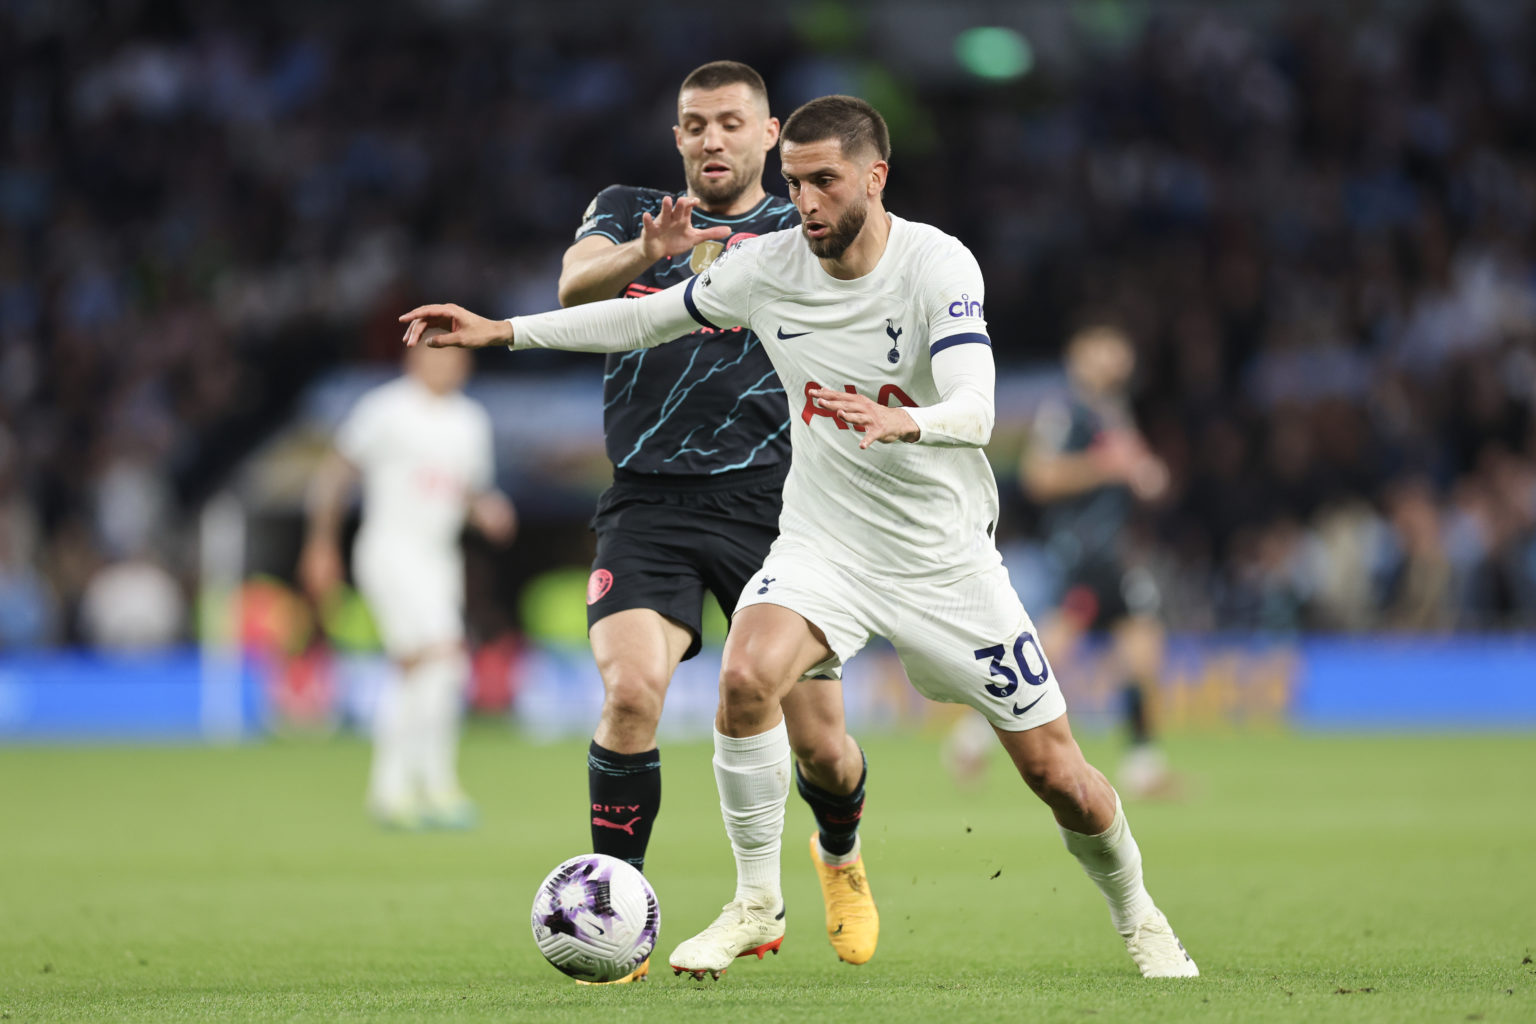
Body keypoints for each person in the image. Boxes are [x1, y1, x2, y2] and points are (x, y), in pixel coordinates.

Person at [398, 94, 1198, 981]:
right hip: (824, 544)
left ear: (873, 177)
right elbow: (640, 319)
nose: (807, 201)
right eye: (795, 183)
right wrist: (503, 331)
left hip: (944, 561)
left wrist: (912, 425)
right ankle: (755, 901)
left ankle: (1140, 915)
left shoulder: (937, 263)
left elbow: (979, 407)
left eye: (824, 181)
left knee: (1059, 776)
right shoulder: (768, 266)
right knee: (744, 681)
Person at [555, 60, 878, 982]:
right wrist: (645, 257)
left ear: (770, 135)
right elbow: (575, 291)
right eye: (695, 124)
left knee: (821, 742)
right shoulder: (629, 212)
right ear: (678, 138)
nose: (712, 139)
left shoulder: (797, 225)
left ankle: (841, 857)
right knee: (627, 696)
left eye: (731, 123)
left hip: (780, 506)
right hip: (648, 502)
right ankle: (613, 910)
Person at [947, 324, 1177, 796]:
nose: (1118, 358)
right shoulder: (1068, 410)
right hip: (1083, 547)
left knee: (1140, 644)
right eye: (1105, 349)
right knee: (1054, 649)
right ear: (1080, 357)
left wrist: (1141, 474)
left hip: (1112, 548)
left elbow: (1128, 465)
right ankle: (977, 732)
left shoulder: (1110, 411)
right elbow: (1039, 476)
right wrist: (1105, 468)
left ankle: (1143, 761)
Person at [299, 342, 515, 829]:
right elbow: (335, 474)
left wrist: (487, 509)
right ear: (414, 359)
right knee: (438, 653)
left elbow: (466, 488)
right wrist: (321, 545)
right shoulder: (384, 409)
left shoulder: (469, 419)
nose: (448, 364)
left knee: (436, 667)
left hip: (439, 558)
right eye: (438, 353)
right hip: (390, 551)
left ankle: (412, 787)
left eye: (457, 355)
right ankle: (415, 787)